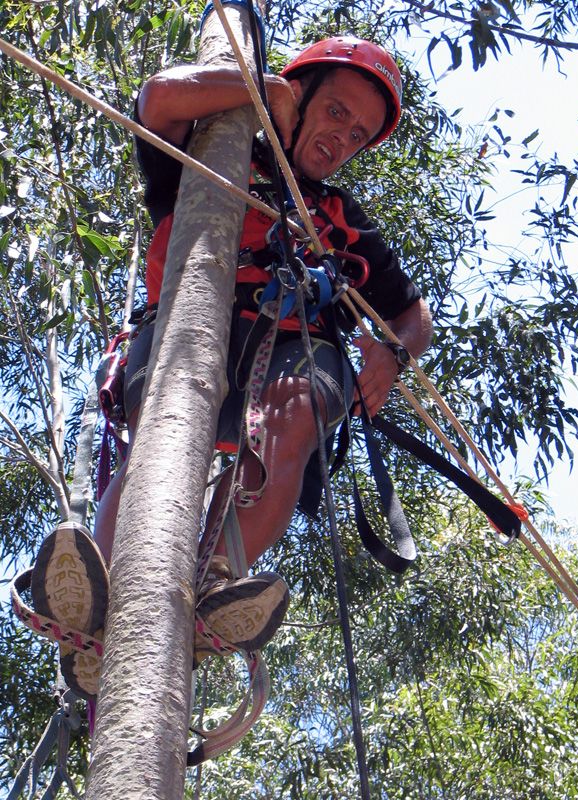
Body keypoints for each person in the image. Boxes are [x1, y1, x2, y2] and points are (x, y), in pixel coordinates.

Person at [31, 29, 432, 698]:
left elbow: (412, 316)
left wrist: (392, 355)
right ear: (298, 96)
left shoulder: (341, 221)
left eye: (359, 134)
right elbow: (158, 99)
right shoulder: (216, 146)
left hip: (286, 347)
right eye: (336, 112)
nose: (343, 139)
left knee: (297, 422)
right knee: (160, 439)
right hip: (189, 322)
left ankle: (210, 584)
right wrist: (258, 91)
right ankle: (99, 591)